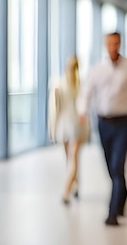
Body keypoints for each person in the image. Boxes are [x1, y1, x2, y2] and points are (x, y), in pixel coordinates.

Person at [76, 32, 127, 226]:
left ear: (120, 43)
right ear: (105, 45)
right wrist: (82, 111)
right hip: (104, 123)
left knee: (117, 165)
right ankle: (122, 193)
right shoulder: (98, 69)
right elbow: (87, 91)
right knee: (111, 166)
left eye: (116, 43)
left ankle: (112, 212)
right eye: (110, 43)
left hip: (124, 121)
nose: (113, 46)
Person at [48, 56, 89, 204]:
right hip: (75, 124)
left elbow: (54, 110)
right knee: (73, 158)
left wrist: (52, 128)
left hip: (64, 125)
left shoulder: (59, 84)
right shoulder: (79, 85)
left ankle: (67, 190)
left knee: (70, 158)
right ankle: (74, 185)